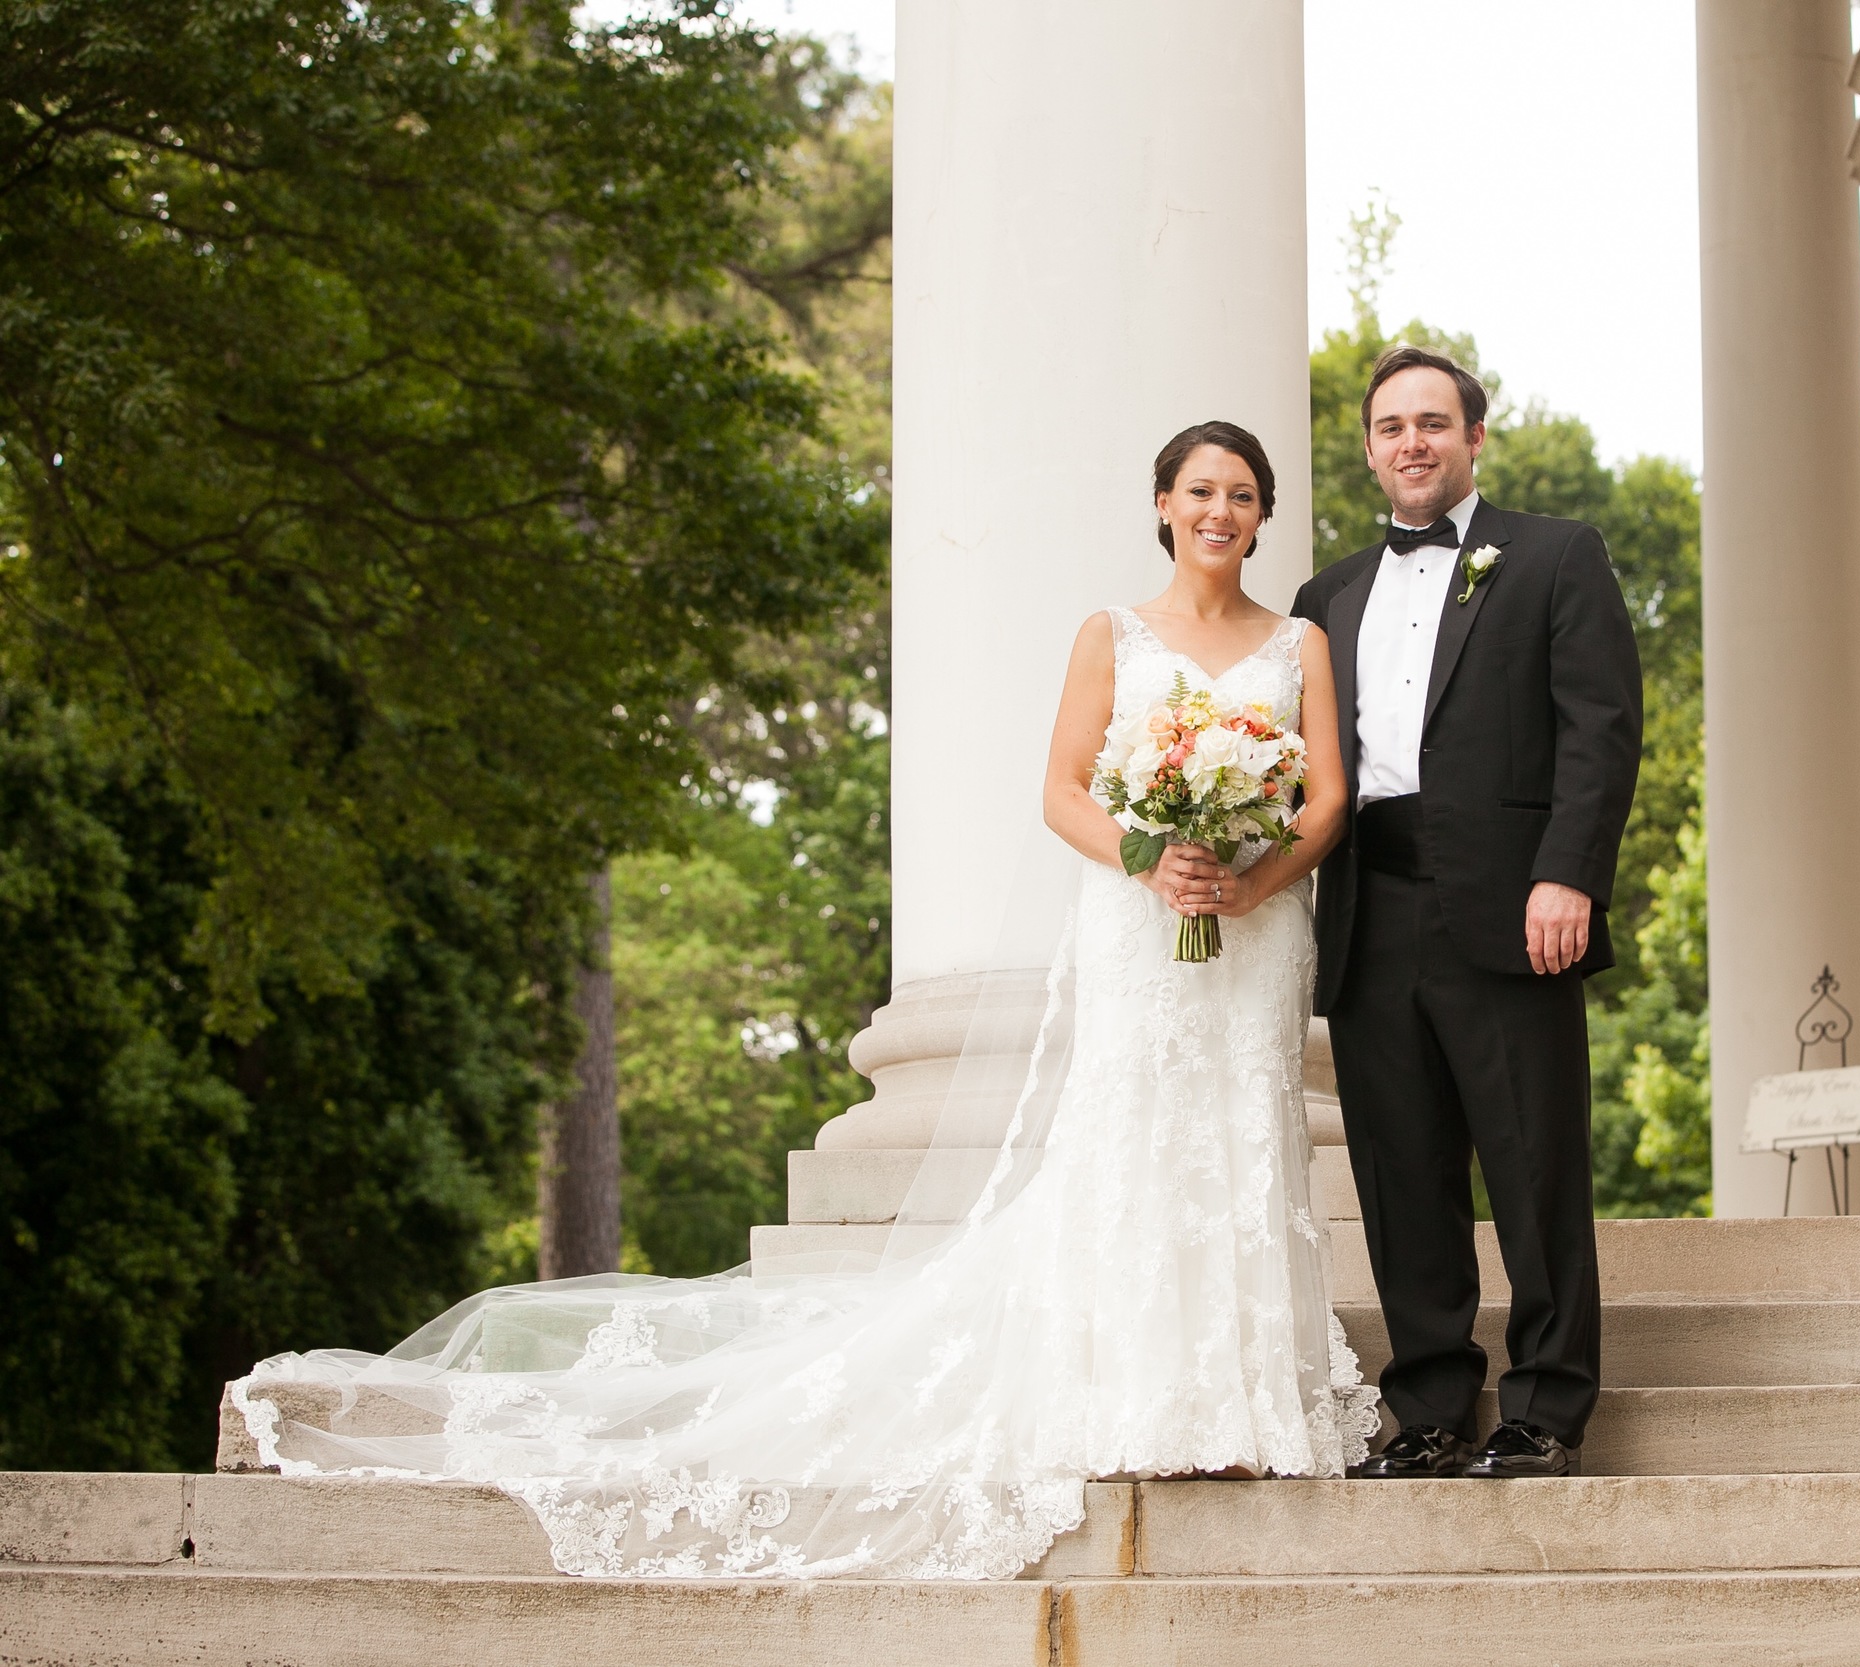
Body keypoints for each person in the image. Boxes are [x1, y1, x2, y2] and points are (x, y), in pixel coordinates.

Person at [229, 420, 1375, 1580]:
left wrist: (1249, 879)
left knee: (1240, 1133)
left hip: (1258, 927)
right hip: (1142, 920)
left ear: (1265, 514)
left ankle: (1242, 1410)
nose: (1219, 511)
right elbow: (1060, 789)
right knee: (1133, 1135)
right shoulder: (1112, 636)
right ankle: (1138, 1399)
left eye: (1241, 493)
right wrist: (1149, 856)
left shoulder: (1299, 645)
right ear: (1164, 506)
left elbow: (1325, 797)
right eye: (1199, 491)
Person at [1292, 346, 1642, 1480]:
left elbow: (1600, 726)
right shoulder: (1325, 597)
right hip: (1368, 908)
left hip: (1513, 901)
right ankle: (1432, 1406)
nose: (1412, 442)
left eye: (1433, 422)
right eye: (1391, 426)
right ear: (1368, 448)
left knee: (1535, 1160)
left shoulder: (1553, 555)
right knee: (1401, 1174)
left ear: (1473, 437)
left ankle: (1544, 1407)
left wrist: (1569, 873)